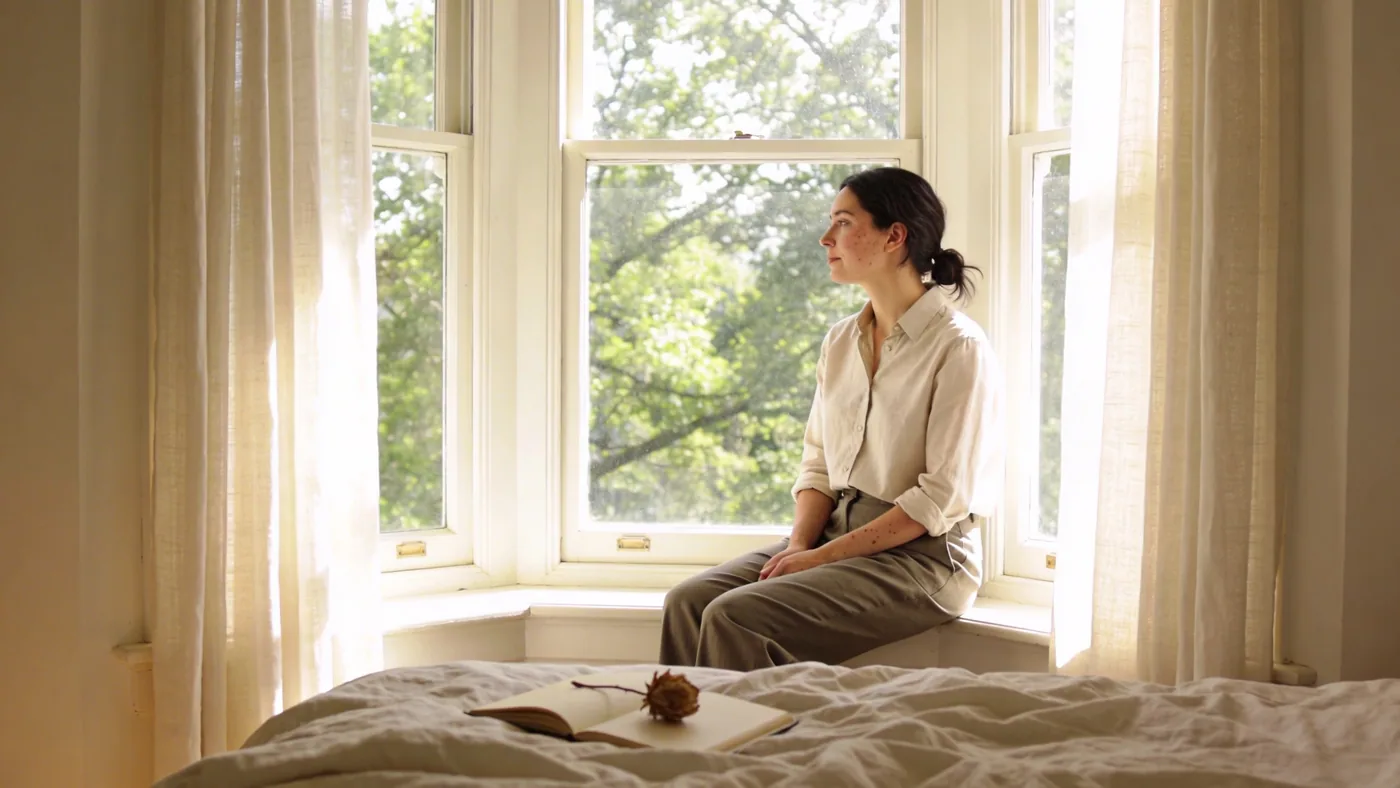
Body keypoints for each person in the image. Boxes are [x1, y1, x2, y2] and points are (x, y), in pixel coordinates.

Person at [658, 166, 1005, 671]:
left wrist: (818, 560)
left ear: (895, 236)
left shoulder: (960, 347)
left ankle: (745, 743)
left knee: (736, 617)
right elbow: (818, 462)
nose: (826, 238)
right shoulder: (842, 340)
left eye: (843, 222)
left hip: (923, 559)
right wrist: (799, 545)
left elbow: (940, 497)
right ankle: (684, 734)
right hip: (832, 534)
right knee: (687, 602)